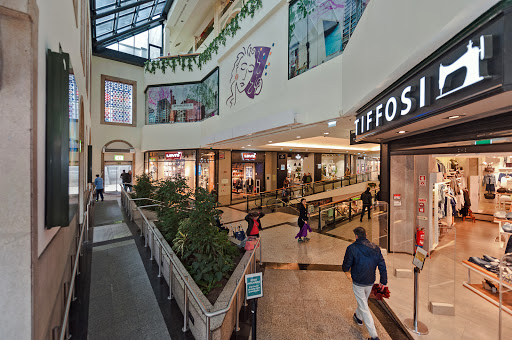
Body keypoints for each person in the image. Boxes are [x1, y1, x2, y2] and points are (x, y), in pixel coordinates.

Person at [342, 227, 387, 340]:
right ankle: (358, 316)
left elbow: (346, 266)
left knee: (364, 306)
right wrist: (383, 281)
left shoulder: (352, 248)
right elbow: (382, 265)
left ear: (356, 236)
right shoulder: (376, 248)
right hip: (370, 281)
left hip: (358, 282)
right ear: (366, 234)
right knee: (363, 301)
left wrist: (346, 268)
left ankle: (374, 336)